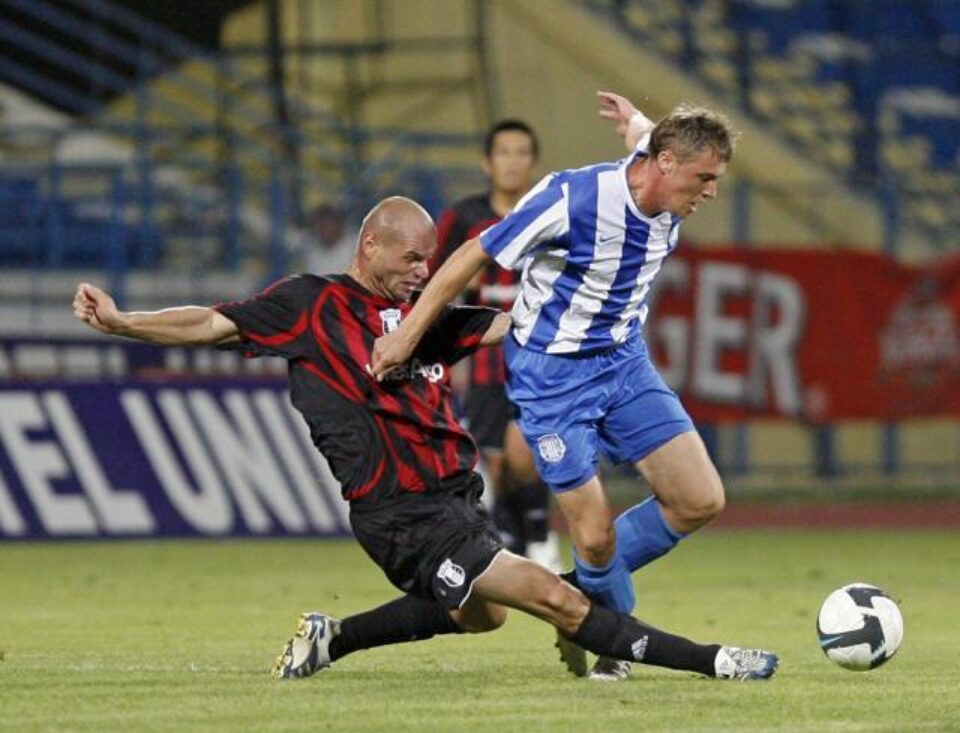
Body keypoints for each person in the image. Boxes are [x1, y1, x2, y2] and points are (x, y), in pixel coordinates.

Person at [73, 195, 777, 683]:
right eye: (411, 257)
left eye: (429, 259)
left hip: (457, 504)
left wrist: (581, 320)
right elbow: (213, 322)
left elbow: (514, 325)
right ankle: (713, 660)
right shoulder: (311, 305)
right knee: (556, 601)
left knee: (486, 616)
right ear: (368, 245)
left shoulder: (422, 318)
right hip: (400, 516)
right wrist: (126, 321)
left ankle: (334, 637)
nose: (421, 270)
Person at [370, 92, 737, 680]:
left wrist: (634, 121)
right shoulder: (573, 199)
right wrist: (408, 335)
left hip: (623, 364)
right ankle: (610, 643)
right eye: (704, 178)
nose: (710, 191)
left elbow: (649, 136)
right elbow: (471, 254)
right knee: (593, 538)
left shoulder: (662, 169)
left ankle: (575, 601)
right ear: (666, 164)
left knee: (700, 500)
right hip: (553, 378)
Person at [431, 119, 560, 569]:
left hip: (541, 356)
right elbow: (437, 280)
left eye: (522, 152)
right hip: (485, 360)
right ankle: (516, 541)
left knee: (528, 449)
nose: (512, 162)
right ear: (487, 162)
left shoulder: (552, 211)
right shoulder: (464, 218)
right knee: (498, 463)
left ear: (534, 162)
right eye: (503, 153)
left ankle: (541, 534)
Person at [297, 202, 358, 275]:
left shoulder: (356, 245)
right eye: (320, 225)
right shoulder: (309, 247)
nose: (324, 229)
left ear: (340, 225)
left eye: (327, 224)